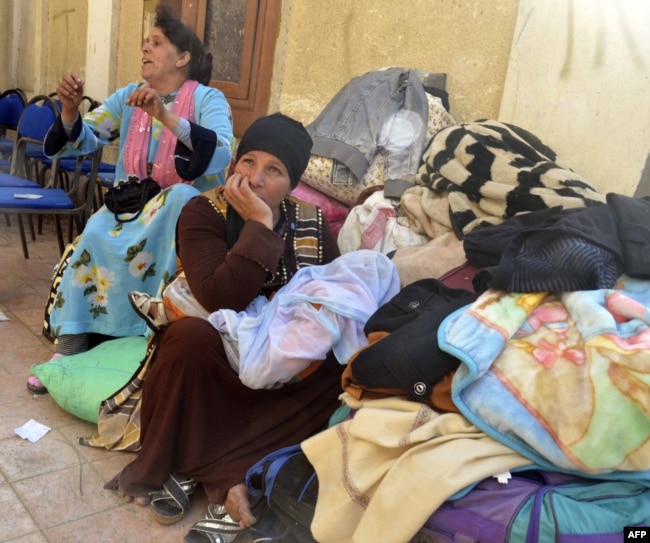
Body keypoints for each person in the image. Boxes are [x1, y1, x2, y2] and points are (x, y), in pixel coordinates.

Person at [99, 113, 345, 540]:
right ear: (233, 165)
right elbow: (219, 298)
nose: (254, 179)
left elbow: (329, 301)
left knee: (339, 365)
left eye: (274, 171)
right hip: (215, 365)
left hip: (280, 366)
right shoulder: (202, 211)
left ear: (292, 183)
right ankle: (228, 475)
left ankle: (196, 462)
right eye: (248, 162)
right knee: (187, 340)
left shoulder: (313, 224)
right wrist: (259, 227)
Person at [27, 4, 233, 394]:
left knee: (179, 198)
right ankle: (74, 340)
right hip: (132, 209)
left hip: (183, 216)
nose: (145, 49)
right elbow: (81, 142)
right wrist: (69, 110)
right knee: (98, 225)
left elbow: (222, 150)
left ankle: (147, 338)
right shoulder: (129, 97)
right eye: (145, 42)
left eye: (156, 43)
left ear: (182, 57)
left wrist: (167, 117)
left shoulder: (208, 99)